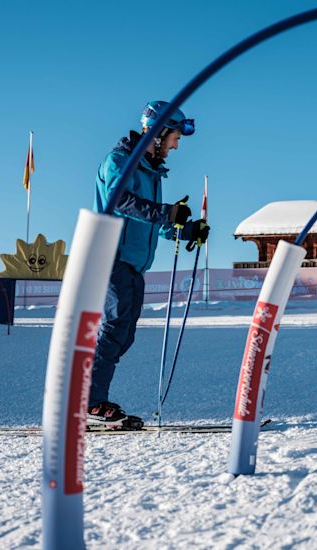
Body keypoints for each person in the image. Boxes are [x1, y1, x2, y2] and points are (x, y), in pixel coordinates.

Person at [89, 100, 210, 428]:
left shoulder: (153, 174)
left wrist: (184, 228)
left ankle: (91, 398)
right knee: (114, 329)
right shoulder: (119, 161)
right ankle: (89, 401)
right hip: (112, 255)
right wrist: (166, 212)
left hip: (134, 263)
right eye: (174, 137)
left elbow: (156, 220)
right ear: (157, 134)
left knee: (123, 334)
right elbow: (122, 202)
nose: (176, 145)